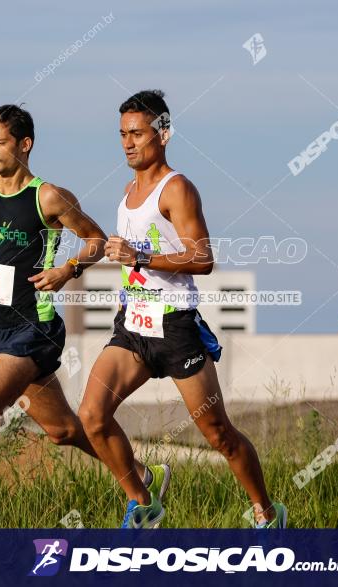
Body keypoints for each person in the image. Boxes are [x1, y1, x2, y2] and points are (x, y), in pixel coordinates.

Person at [0, 104, 164, 528]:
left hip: (35, 329)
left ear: (24, 144)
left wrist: (67, 270)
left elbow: (95, 240)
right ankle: (143, 477)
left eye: (0, 142)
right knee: (63, 431)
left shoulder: (47, 197)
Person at [79, 90, 287, 529]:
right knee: (93, 418)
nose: (128, 143)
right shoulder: (127, 192)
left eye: (137, 133)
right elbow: (131, 265)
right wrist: (125, 288)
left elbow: (203, 258)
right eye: (122, 135)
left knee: (218, 434)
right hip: (133, 327)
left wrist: (138, 257)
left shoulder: (177, 188)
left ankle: (267, 514)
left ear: (164, 133)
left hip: (175, 329)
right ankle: (144, 501)